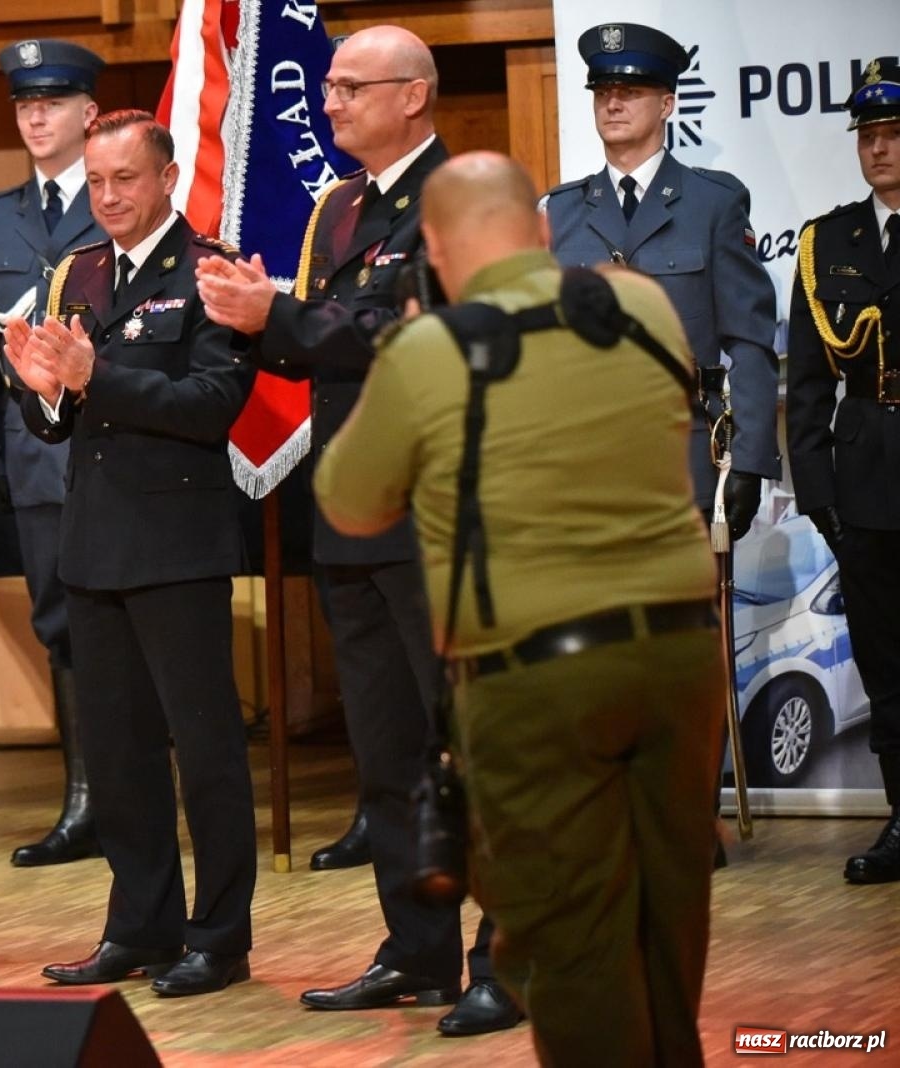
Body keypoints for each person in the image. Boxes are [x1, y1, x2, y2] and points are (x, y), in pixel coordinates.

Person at [315, 150, 724, 1065]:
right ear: (542, 231)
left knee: (572, 949)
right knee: (669, 930)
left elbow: (347, 501)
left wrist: (407, 351)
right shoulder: (640, 305)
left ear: (433, 249)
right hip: (681, 659)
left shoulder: (429, 351)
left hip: (535, 681)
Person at [196, 26, 516, 1035]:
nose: (328, 101)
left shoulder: (461, 200)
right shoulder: (338, 208)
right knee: (387, 756)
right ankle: (416, 951)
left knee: (471, 750)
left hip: (438, 520)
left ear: (413, 95)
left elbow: (410, 334)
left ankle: (506, 959)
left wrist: (276, 318)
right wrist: (254, 319)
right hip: (354, 517)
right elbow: (321, 349)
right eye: (328, 86)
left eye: (349, 86)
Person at [12, 110, 257, 998]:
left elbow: (212, 403)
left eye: (126, 179)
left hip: (177, 547)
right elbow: (60, 419)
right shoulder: (77, 271)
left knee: (207, 752)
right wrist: (44, 392)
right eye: (97, 181)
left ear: (166, 179)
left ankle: (219, 937)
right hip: (94, 546)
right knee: (118, 758)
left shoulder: (210, 272)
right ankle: (141, 927)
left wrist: (95, 377)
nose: (109, 197)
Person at [544, 22, 779, 535]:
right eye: (603, 92)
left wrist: (750, 460)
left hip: (687, 454)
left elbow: (750, 341)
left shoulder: (713, 204)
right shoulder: (560, 212)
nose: (613, 104)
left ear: (667, 104)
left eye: (630, 92)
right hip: (583, 464)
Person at [0, 37, 107, 869]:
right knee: (59, 623)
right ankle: (84, 801)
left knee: (127, 623)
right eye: (25, 103)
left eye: (52, 102)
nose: (36, 116)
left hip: (116, 440)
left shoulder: (122, 198)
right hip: (34, 451)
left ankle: (133, 795)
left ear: (90, 113)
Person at [787, 60, 900, 884]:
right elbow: (805, 385)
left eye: (894, 134)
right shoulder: (829, 241)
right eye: (868, 135)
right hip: (864, 487)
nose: (879, 149)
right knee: (885, 665)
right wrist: (820, 496)